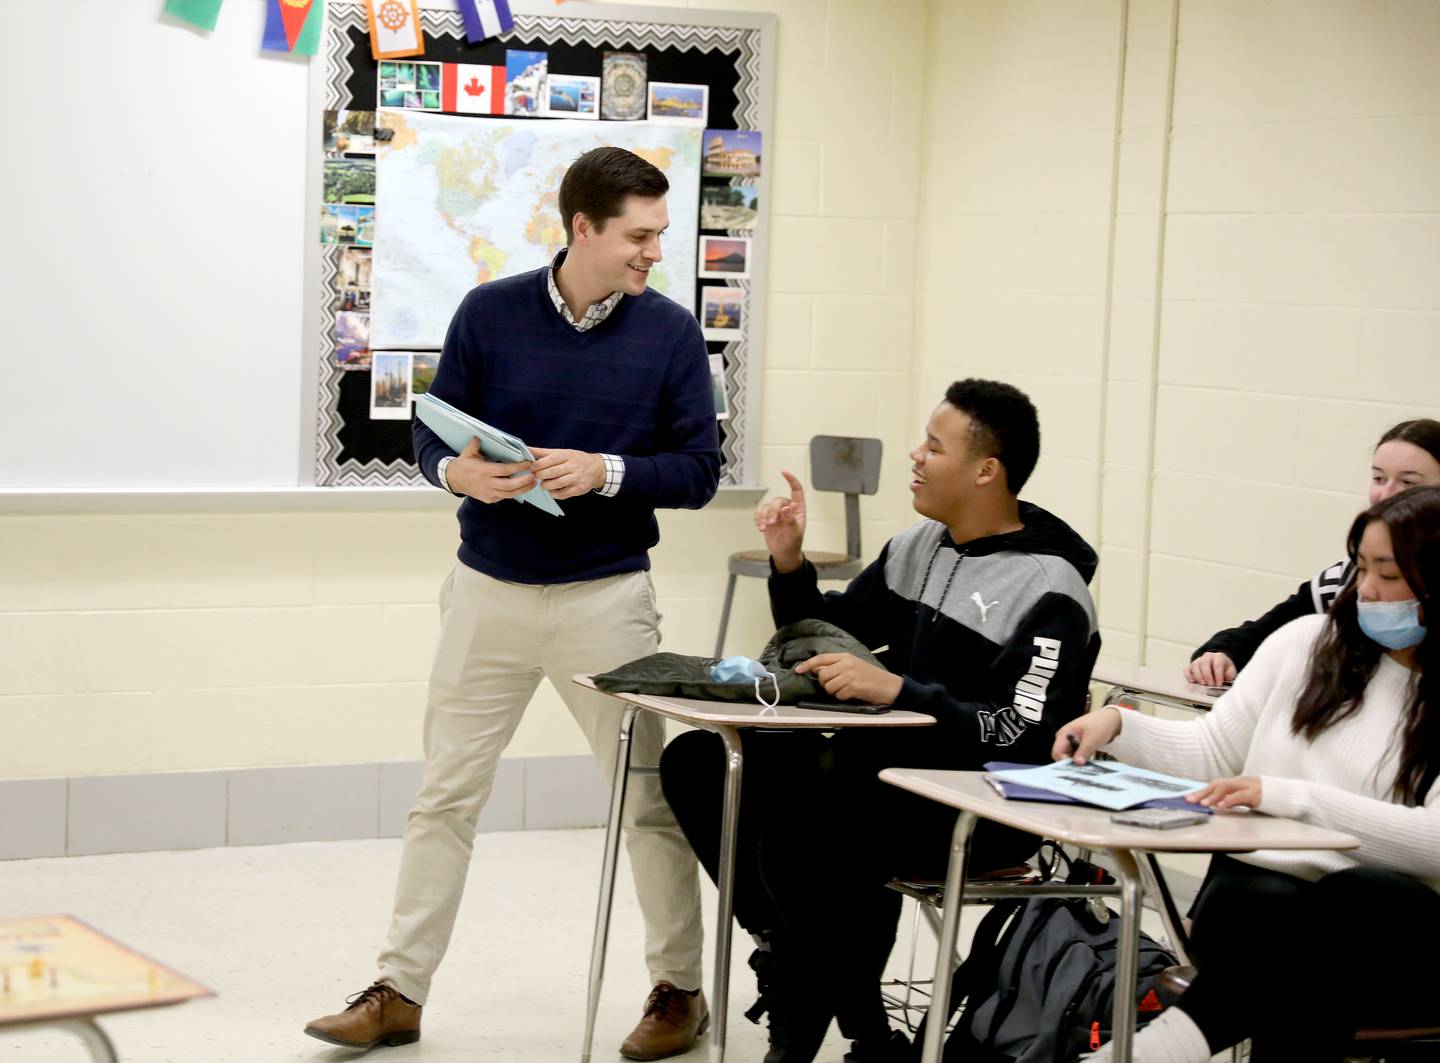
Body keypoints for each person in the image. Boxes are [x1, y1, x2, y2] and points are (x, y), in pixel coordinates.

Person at [305, 147, 719, 1060]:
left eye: (658, 234)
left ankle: (678, 991)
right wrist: (458, 470)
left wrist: (607, 471)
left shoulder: (672, 334)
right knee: (444, 797)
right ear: (583, 228)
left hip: (607, 601)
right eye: (639, 235)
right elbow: (429, 428)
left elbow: (697, 471)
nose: (655, 251)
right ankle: (399, 990)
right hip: (487, 591)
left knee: (645, 800)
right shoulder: (489, 310)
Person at [660, 379, 1101, 1063]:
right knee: (699, 761)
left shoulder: (1050, 587)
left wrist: (901, 689)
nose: (915, 455)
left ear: (986, 470)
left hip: (979, 800)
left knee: (813, 824)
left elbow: (1027, 734)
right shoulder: (919, 546)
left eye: (934, 445)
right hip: (879, 771)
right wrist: (789, 559)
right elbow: (831, 630)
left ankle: (811, 1021)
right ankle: (814, 971)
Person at [1059, 485, 1440, 1063]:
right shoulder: (1305, 644)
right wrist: (1118, 726)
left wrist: (1290, 797)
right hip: (1267, 916)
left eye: (1389, 576)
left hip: (1395, 932)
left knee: (1351, 901)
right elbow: (1214, 751)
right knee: (1258, 906)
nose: (1367, 591)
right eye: (1361, 568)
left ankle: (1148, 1053)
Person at [1186, 418, 1440, 685]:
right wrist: (1223, 654)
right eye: (1378, 478)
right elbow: (1265, 631)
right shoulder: (1345, 576)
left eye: (1408, 483)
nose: (1386, 495)